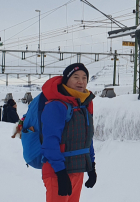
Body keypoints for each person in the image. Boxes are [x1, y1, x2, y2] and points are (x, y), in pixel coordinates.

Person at [41, 63, 97, 201]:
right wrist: (60, 172)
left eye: (84, 77)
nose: (81, 81)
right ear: (66, 80)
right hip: (57, 172)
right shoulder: (56, 106)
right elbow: (50, 142)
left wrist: (91, 167)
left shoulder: (84, 105)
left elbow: (87, 139)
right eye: (76, 77)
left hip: (77, 169)